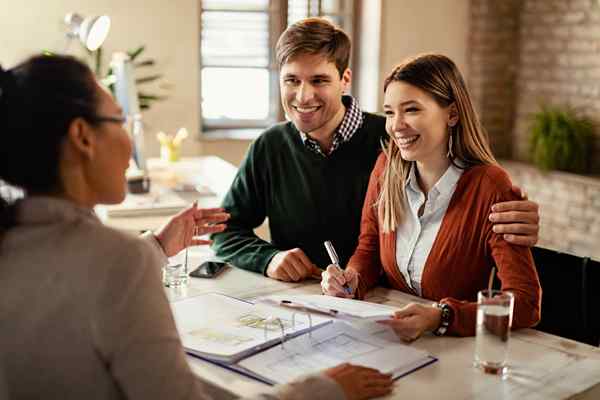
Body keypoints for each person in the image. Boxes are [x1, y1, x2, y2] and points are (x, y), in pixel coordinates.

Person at [0, 54, 393, 400]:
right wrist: (321, 390)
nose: (131, 141)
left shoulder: (14, 239)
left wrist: (154, 247)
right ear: (83, 137)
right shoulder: (119, 260)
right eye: (120, 120)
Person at [212, 17, 541, 283]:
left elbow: (462, 200)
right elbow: (226, 230)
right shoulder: (270, 147)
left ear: (345, 79)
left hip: (390, 305)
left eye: (319, 80)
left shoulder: (398, 143)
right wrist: (269, 258)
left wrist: (511, 213)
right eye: (291, 80)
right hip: (302, 304)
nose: (302, 95)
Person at [321, 54, 542, 340]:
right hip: (391, 340)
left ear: (452, 114)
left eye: (411, 110)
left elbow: (525, 303)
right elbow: (369, 248)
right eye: (389, 112)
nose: (396, 126)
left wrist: (443, 316)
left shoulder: (490, 186)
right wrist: (351, 279)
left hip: (455, 350)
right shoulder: (386, 168)